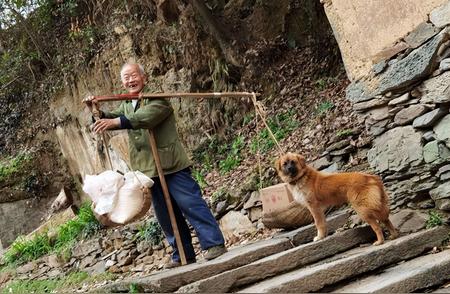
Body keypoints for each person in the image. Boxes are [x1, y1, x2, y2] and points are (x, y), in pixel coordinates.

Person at [86, 62, 226, 268]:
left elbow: (145, 117)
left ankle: (214, 244)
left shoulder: (158, 99)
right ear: (122, 82)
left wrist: (117, 122)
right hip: (147, 170)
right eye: (126, 77)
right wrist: (97, 112)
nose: (131, 80)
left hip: (170, 164)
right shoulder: (126, 104)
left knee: (190, 203)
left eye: (134, 75)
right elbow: (113, 117)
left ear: (144, 78)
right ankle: (182, 254)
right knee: (164, 215)